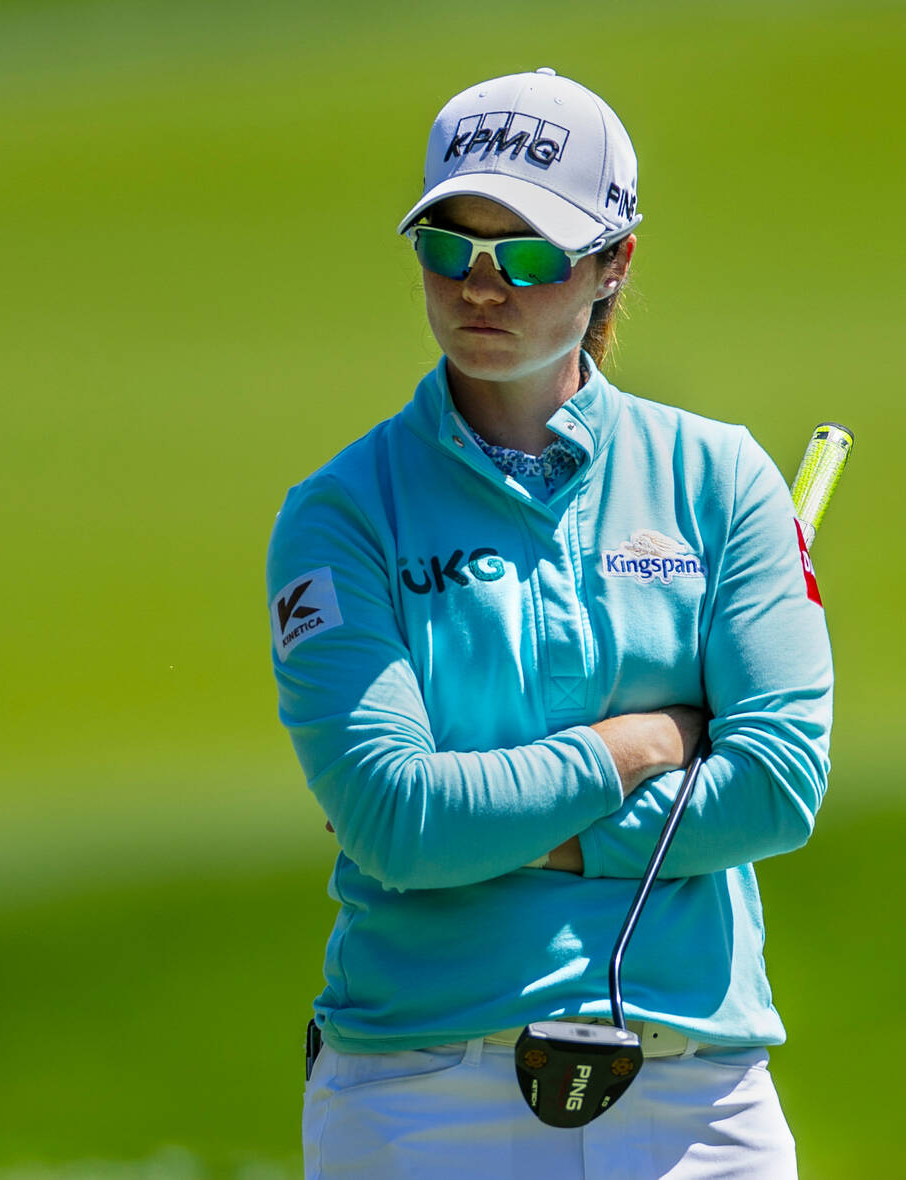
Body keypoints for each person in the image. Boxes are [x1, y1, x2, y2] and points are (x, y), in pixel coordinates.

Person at [266, 67, 831, 1179]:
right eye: (450, 249)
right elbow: (395, 819)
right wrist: (646, 744)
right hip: (417, 1090)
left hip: (695, 1087)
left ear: (614, 262)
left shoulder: (722, 480)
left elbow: (776, 786)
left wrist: (485, 820)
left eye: (527, 254)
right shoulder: (339, 512)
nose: (482, 285)